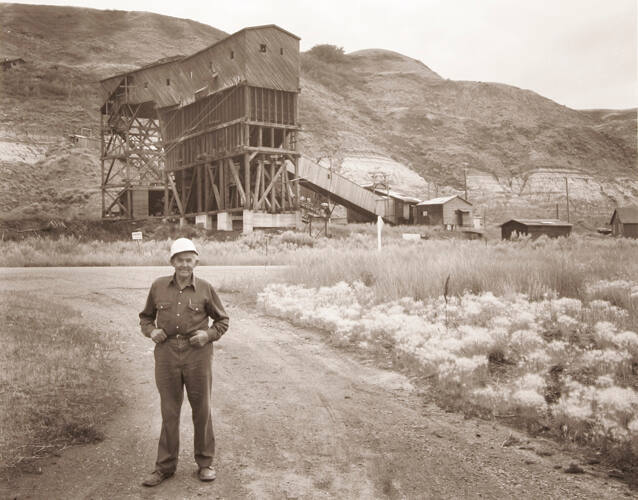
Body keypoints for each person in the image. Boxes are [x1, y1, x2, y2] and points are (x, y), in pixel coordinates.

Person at [139, 237, 229, 487]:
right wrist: (151, 332)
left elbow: (223, 321)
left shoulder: (205, 288)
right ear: (172, 262)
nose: (185, 265)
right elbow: (146, 317)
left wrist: (208, 335)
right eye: (180, 260)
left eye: (189, 260)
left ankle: (205, 463)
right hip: (166, 353)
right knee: (169, 410)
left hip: (197, 355)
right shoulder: (158, 286)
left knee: (202, 409)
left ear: (196, 262)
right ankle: (165, 467)